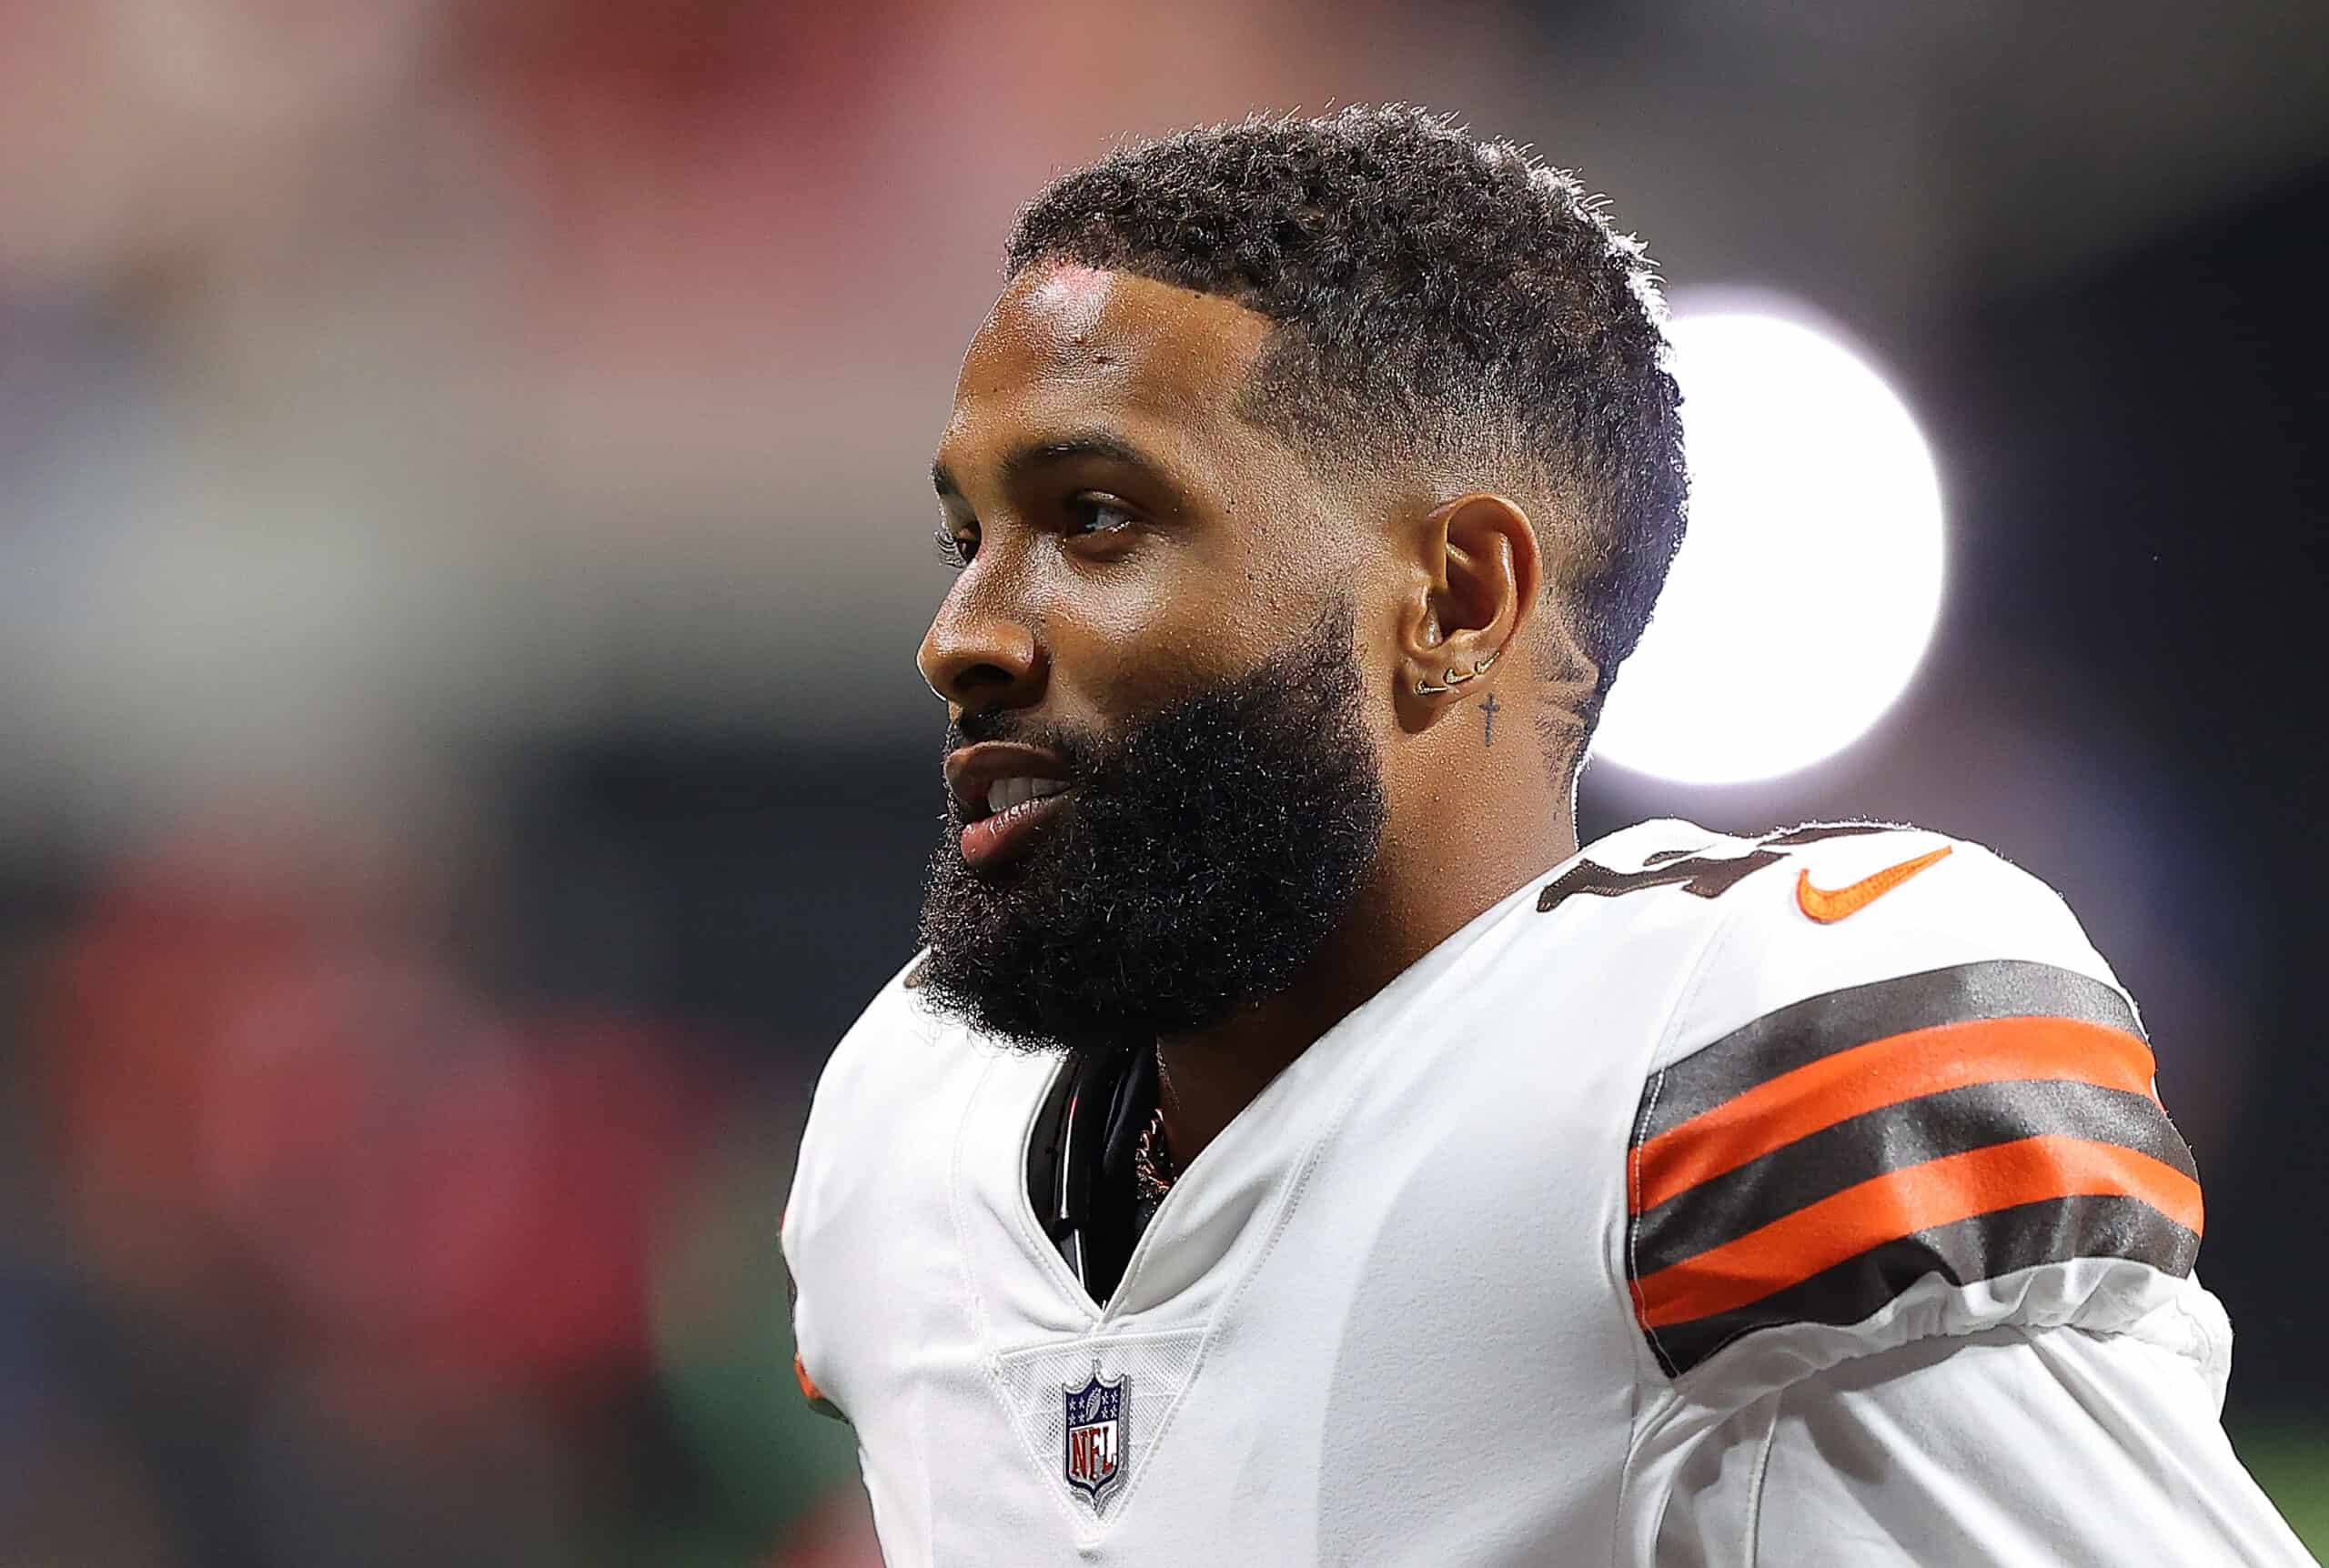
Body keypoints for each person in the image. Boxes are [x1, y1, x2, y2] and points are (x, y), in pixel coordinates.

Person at [781, 106, 2317, 1564]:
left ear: (1456, 601)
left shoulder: (1712, 1072)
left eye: (1096, 517)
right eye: (967, 536)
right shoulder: (910, 1132)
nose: (962, 634)